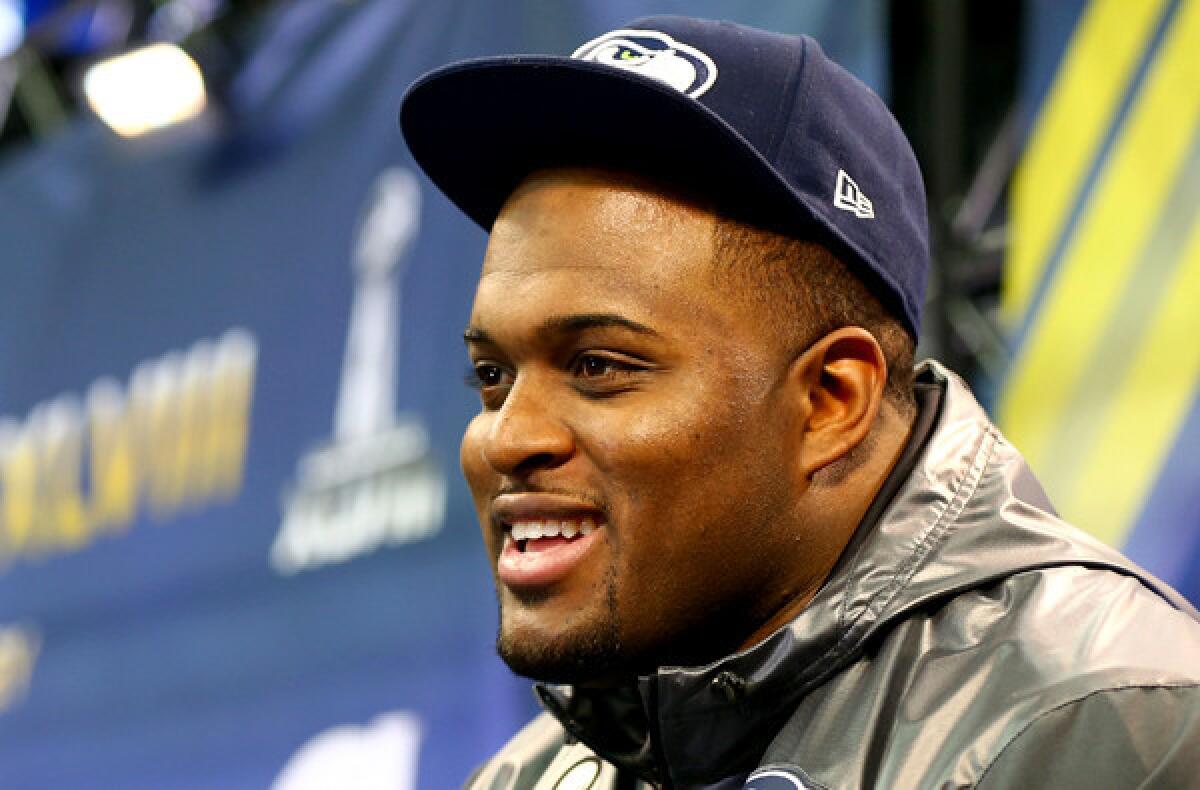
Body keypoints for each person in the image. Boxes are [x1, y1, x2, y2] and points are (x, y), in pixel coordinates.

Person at [400, 16, 1200, 790]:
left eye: (599, 366)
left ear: (829, 400)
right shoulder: (531, 776)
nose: (507, 440)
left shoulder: (1109, 725)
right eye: (493, 376)